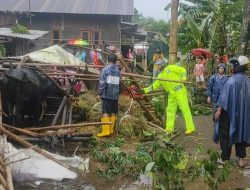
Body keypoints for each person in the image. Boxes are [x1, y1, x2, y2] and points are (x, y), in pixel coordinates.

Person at [214, 55, 250, 167]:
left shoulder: (231, 81)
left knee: (225, 134)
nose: (232, 68)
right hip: (243, 115)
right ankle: (241, 160)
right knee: (241, 134)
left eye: (234, 65)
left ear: (237, 67)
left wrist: (218, 111)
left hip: (229, 113)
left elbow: (224, 98)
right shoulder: (248, 81)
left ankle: (224, 158)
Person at [143, 57, 196, 135]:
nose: (157, 67)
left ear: (162, 64)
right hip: (171, 95)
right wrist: (144, 90)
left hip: (180, 92)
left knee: (185, 110)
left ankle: (190, 128)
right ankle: (169, 129)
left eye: (158, 65)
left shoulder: (171, 68)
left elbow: (183, 70)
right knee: (170, 111)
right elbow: (154, 86)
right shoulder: (160, 76)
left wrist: (183, 78)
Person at [96, 54, 120, 137]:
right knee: (113, 112)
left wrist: (99, 93)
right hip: (115, 95)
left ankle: (106, 132)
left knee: (105, 112)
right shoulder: (117, 70)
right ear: (116, 61)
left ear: (108, 60)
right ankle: (111, 130)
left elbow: (102, 82)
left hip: (107, 95)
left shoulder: (105, 69)